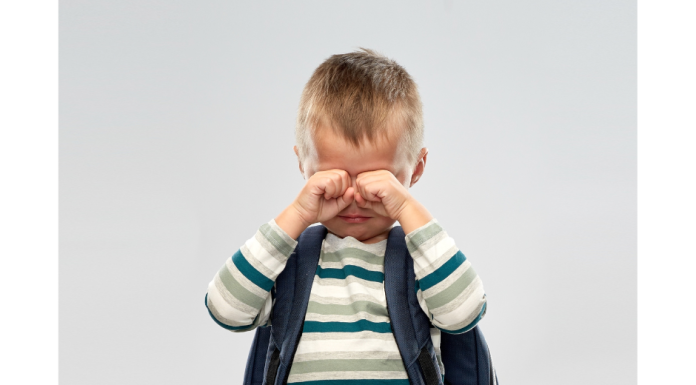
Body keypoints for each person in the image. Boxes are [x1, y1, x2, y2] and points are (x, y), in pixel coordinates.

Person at [205, 48, 488, 384]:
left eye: (379, 181)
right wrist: (296, 214)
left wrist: (407, 208)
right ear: (303, 166)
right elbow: (226, 310)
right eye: (334, 178)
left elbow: (463, 313)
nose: (355, 198)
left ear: (416, 169)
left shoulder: (425, 263)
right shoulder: (287, 262)